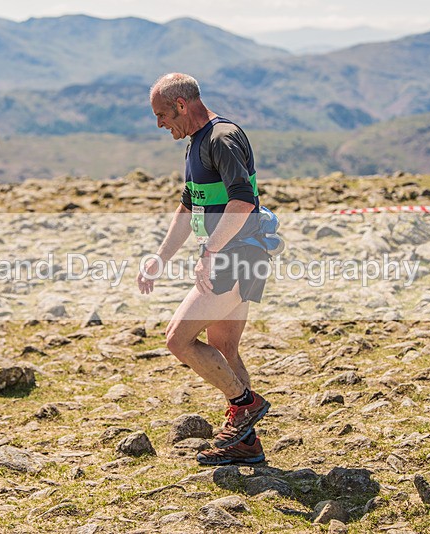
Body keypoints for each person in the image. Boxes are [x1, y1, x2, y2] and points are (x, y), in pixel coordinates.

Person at [138, 73, 271, 465]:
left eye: (162, 115)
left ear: (181, 105)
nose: (160, 124)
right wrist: (159, 259)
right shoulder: (195, 143)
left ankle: (244, 405)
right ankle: (245, 444)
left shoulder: (221, 138)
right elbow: (188, 207)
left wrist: (211, 250)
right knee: (224, 348)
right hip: (235, 254)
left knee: (177, 339)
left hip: (238, 255)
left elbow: (243, 201)